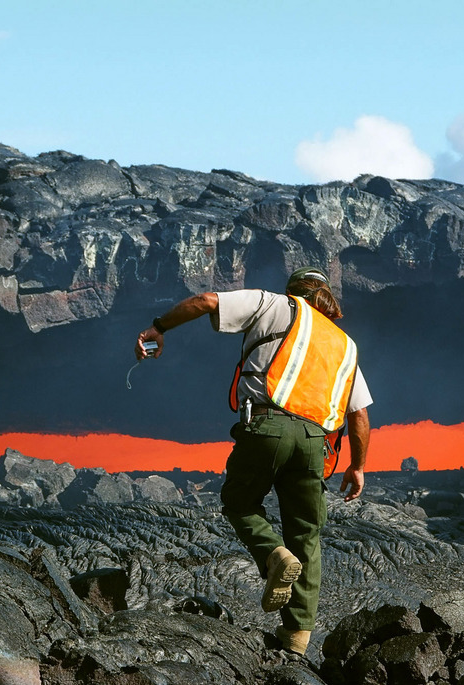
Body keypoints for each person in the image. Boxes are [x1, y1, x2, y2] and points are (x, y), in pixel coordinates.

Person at [134, 267, 372, 657]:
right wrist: (358, 466)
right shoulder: (345, 345)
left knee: (241, 503)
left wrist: (158, 327)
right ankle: (296, 641)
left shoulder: (274, 304)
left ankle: (273, 555)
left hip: (267, 426)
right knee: (307, 536)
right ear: (325, 296)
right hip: (315, 446)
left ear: (294, 291)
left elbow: (206, 301)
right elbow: (359, 415)